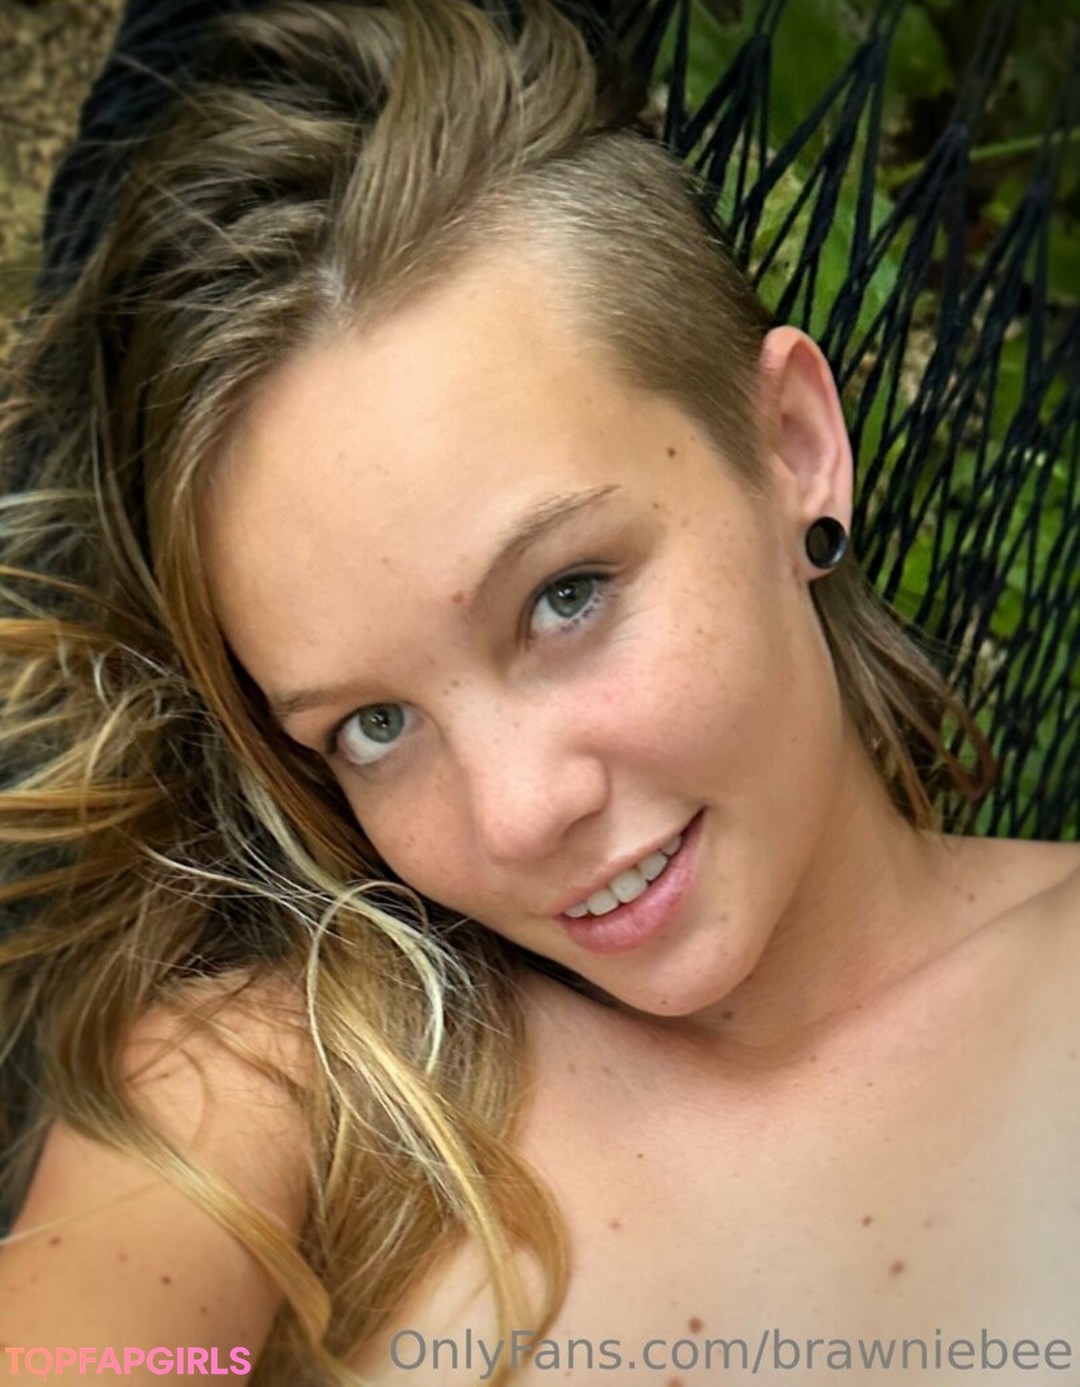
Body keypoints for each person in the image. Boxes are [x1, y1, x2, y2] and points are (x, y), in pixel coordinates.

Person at [1, 1, 1077, 1383]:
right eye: (375, 727)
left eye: (566, 596)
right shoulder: (295, 1103)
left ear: (794, 445)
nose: (516, 819)